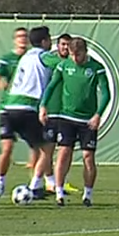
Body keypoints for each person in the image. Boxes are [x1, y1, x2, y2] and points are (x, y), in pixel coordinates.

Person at [39, 38, 110, 207]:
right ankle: (59, 192)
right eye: (72, 55)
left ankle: (88, 194)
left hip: (87, 120)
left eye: (78, 55)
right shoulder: (64, 66)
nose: (75, 59)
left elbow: (106, 94)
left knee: (88, 157)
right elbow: (51, 86)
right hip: (67, 117)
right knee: (63, 152)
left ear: (85, 52)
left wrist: (98, 114)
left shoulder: (96, 68)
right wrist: (43, 106)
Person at [0, 26, 59, 199]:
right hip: (27, 107)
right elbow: (64, 65)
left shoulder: (25, 56)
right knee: (47, 149)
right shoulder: (45, 56)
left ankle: (2, 182)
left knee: (30, 148)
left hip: (9, 106)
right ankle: (35, 186)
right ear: (44, 41)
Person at [0, 26, 28, 195]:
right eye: (19, 36)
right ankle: (0, 181)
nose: (22, 39)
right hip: (8, 109)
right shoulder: (7, 59)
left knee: (38, 147)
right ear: (14, 39)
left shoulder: (32, 58)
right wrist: (2, 85)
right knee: (7, 147)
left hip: (29, 108)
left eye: (25, 36)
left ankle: (36, 184)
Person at [41, 33, 72, 193]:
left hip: (68, 113)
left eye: (68, 45)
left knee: (66, 150)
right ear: (57, 46)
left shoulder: (75, 65)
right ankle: (49, 180)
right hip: (52, 111)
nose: (65, 47)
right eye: (62, 44)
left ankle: (61, 181)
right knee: (47, 149)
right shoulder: (51, 60)